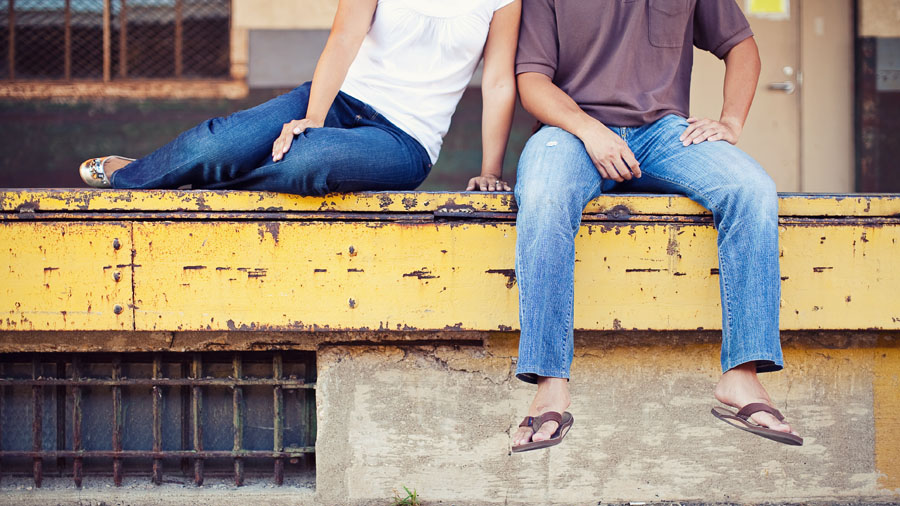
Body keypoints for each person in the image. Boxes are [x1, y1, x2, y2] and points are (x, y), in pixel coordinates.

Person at [510, 0, 803, 452]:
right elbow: (531, 82)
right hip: (570, 131)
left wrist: (731, 121)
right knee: (545, 195)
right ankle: (550, 380)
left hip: (664, 134)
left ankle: (741, 376)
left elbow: (742, 47)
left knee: (751, 188)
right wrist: (590, 130)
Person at [79, 0, 521, 196]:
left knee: (309, 162)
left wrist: (490, 171)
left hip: (406, 141)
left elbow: (499, 80)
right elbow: (344, 39)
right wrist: (314, 116)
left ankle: (191, 189)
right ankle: (135, 175)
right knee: (216, 144)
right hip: (338, 99)